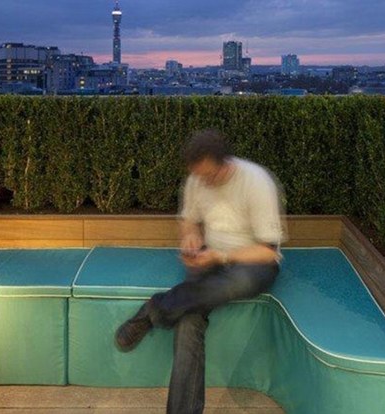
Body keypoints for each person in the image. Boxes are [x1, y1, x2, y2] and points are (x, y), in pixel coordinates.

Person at [115, 129, 285, 414]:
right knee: (188, 321)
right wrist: (191, 239)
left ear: (225, 164)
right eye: (199, 176)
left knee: (234, 282)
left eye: (209, 176)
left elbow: (268, 251)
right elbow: (189, 221)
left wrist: (222, 256)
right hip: (210, 258)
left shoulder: (256, 182)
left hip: (252, 263)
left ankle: (153, 310)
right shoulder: (197, 179)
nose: (203, 181)